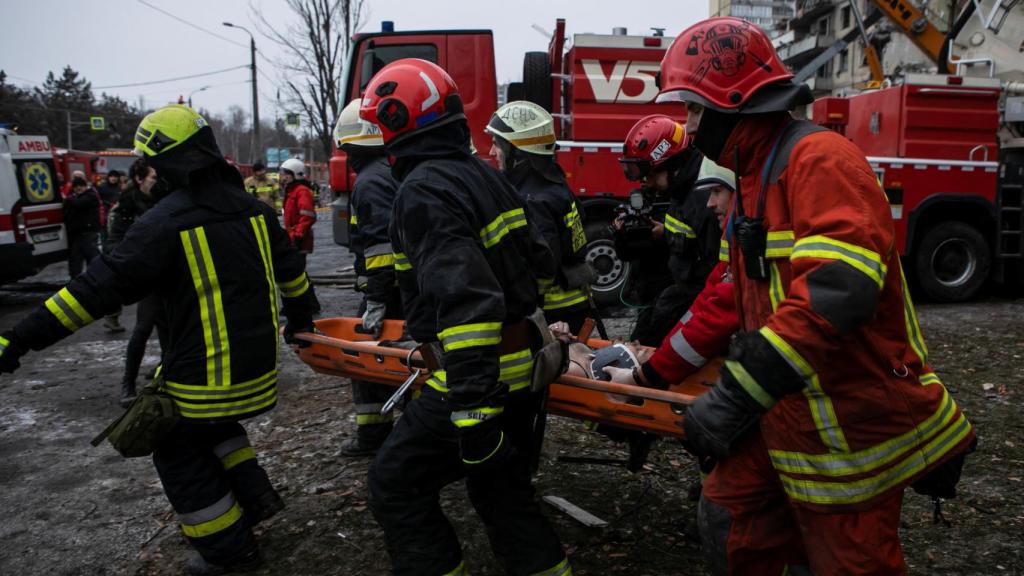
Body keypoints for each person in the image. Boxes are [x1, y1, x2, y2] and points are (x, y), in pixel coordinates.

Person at [653, 17, 977, 574]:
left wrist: (735, 396)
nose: (689, 124)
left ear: (733, 100)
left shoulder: (818, 160)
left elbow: (837, 291)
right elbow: (740, 298)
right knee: (732, 522)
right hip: (789, 412)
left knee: (852, 563)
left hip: (851, 428)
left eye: (694, 108)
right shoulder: (753, 175)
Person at [0, 104, 315, 575]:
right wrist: (302, 323)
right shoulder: (256, 212)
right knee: (215, 430)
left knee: (175, 448)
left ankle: (230, 554)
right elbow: (294, 280)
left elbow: (90, 292)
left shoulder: (165, 224)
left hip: (205, 381)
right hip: (260, 375)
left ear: (164, 163)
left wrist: (18, 340)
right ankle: (255, 500)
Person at [360, 59, 571, 576]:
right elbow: (542, 263)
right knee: (502, 494)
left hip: (476, 378)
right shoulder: (485, 174)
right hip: (522, 367)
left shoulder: (424, 190)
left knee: (395, 485)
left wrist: (473, 412)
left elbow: (466, 304)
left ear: (396, 121)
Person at [486, 100, 598, 334]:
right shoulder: (553, 184)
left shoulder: (533, 200)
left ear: (516, 151)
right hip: (576, 304)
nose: (491, 152)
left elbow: (543, 266)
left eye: (496, 145)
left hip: (555, 313)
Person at [333, 98, 402, 456]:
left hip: (388, 295)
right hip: (398, 291)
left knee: (368, 362)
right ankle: (384, 436)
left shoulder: (370, 183)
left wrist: (375, 299)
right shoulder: (386, 172)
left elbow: (379, 249)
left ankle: (375, 439)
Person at [617, 115, 720, 347]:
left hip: (695, 304)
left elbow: (716, 273)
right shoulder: (680, 189)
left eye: (651, 174)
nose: (648, 182)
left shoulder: (704, 199)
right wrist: (665, 232)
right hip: (676, 293)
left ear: (673, 164)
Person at [108, 157, 168, 407]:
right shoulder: (125, 207)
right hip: (147, 277)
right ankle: (128, 383)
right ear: (139, 179)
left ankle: (166, 376)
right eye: (153, 178)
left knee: (170, 329)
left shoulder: (165, 200)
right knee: (143, 329)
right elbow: (115, 245)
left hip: (168, 273)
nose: (157, 183)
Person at [279, 158, 322, 314]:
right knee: (298, 272)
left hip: (300, 239)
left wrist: (297, 236)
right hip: (294, 237)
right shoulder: (292, 191)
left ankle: (309, 305)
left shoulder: (301, 192)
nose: (282, 177)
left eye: (285, 174)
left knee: (297, 272)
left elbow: (308, 216)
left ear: (295, 174)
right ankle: (304, 305)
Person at [98, 170, 128, 333]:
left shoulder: (123, 203)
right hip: (121, 250)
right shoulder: (121, 207)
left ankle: (112, 316)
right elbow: (113, 232)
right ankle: (111, 316)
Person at [63, 173, 102, 279]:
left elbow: (78, 203)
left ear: (85, 186)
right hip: (77, 234)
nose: (78, 188)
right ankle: (76, 282)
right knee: (76, 259)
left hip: (88, 233)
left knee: (92, 258)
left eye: (81, 186)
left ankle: (95, 279)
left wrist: (67, 198)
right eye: (76, 186)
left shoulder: (90, 196)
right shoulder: (75, 197)